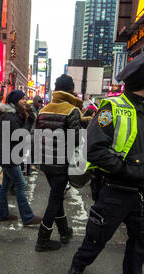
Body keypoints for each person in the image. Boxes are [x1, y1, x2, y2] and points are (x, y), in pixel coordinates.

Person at [66, 52, 144, 274]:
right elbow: (93, 149)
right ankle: (77, 266)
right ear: (143, 80)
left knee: (139, 244)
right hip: (116, 191)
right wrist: (126, 170)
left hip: (143, 195)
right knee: (97, 237)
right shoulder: (112, 107)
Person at [35, 74, 82, 252]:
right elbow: (75, 140)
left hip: (45, 163)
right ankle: (43, 239)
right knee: (55, 198)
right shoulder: (72, 110)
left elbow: (36, 136)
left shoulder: (43, 109)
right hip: (62, 164)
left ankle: (64, 231)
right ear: (70, 90)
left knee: (57, 196)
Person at [0, 90, 41, 226]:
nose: (25, 101)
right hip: (9, 156)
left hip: (8, 155)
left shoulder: (11, 115)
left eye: (25, 98)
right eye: (22, 99)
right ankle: (27, 217)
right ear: (15, 101)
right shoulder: (9, 116)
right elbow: (19, 136)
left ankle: (1, 214)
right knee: (21, 184)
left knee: (5, 185)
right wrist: (29, 122)